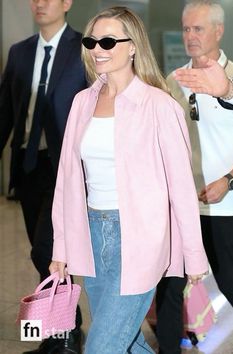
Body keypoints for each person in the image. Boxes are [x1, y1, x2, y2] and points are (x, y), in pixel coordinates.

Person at [49, 6, 208, 354]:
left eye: (108, 41)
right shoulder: (82, 103)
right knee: (128, 342)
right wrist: (61, 247)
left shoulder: (160, 106)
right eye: (92, 41)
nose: (97, 49)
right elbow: (66, 181)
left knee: (101, 347)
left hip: (140, 240)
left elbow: (181, 189)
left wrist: (194, 257)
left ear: (133, 46)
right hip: (90, 236)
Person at [0, 0, 87, 353]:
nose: (39, 3)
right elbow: (5, 110)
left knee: (46, 248)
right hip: (28, 165)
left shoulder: (84, 48)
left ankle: (67, 330)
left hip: (65, 166)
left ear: (66, 3)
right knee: (45, 256)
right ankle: (54, 334)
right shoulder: (19, 52)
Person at [157, 4, 233, 352]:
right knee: (170, 284)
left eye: (198, 29)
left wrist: (229, 181)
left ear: (218, 31)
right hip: (181, 206)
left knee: (231, 282)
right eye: (186, 29)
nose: (190, 36)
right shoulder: (174, 81)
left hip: (227, 205)